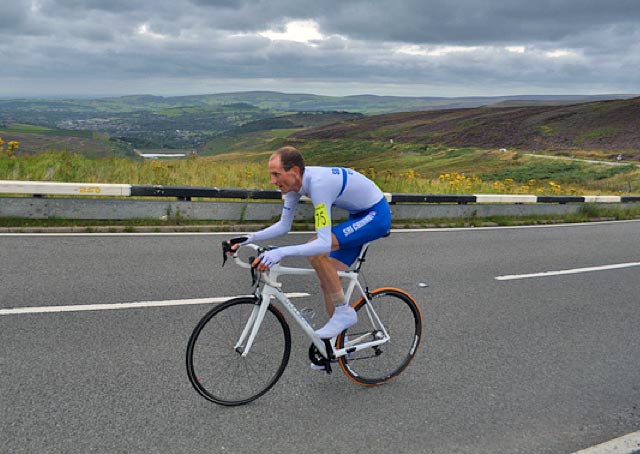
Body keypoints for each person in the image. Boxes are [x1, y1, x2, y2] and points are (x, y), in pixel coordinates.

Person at [230, 146, 392, 341]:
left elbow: (323, 244)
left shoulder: (319, 184)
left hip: (375, 215)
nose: (272, 181)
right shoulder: (293, 186)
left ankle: (343, 311)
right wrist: (249, 238)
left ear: (295, 171)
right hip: (356, 216)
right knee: (328, 282)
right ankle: (339, 344)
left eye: (276, 174)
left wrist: (280, 252)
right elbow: (283, 226)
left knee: (316, 251)